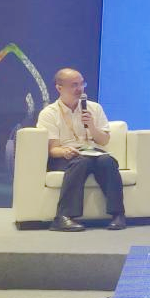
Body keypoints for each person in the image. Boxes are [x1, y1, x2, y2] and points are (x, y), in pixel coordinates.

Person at [36, 68, 127, 232]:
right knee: (81, 161)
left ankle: (118, 215)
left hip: (93, 152)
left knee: (107, 161)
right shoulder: (49, 113)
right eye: (74, 85)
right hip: (65, 156)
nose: (80, 89)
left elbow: (104, 140)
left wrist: (91, 126)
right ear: (59, 88)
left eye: (81, 84)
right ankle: (63, 217)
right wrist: (64, 151)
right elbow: (52, 149)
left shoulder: (94, 108)